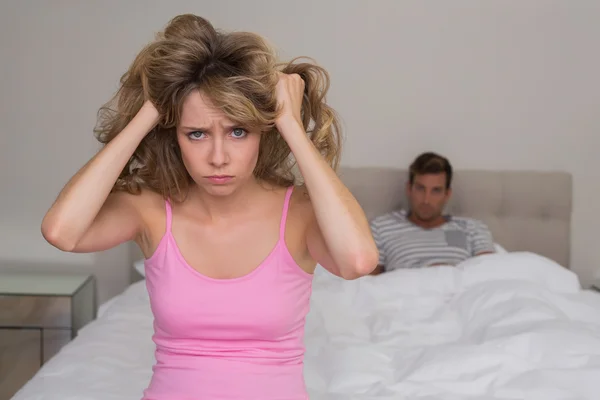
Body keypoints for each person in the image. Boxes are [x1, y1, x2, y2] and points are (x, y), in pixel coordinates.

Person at [41, 14, 378, 400]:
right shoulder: (152, 209)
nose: (218, 157)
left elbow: (358, 261)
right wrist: (149, 112)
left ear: (262, 132)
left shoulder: (299, 211)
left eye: (238, 131)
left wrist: (291, 127)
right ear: (174, 135)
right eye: (196, 133)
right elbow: (61, 232)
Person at [370, 152, 495, 274]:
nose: (426, 200)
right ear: (409, 189)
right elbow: (366, 284)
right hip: (406, 292)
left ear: (447, 194)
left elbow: (489, 276)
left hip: (459, 292)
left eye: (436, 191)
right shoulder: (381, 227)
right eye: (420, 189)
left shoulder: (472, 229)